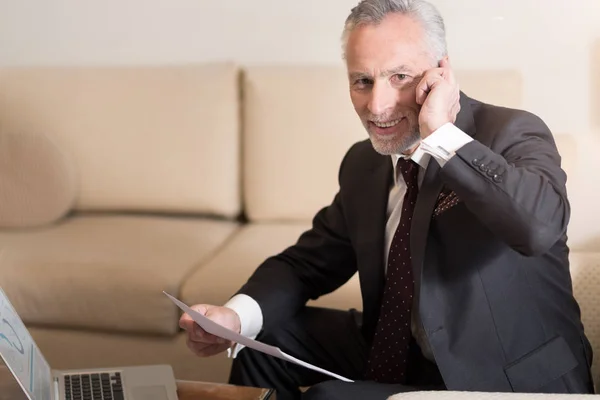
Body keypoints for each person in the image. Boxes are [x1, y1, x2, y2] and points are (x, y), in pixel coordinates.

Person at [179, 0, 595, 399]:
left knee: (329, 398)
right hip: (401, 354)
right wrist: (236, 318)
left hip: (501, 377)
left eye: (400, 77)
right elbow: (306, 264)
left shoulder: (512, 132)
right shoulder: (365, 164)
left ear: (440, 73)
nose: (377, 106)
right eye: (362, 81)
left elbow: (538, 227)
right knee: (258, 338)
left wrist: (442, 137)